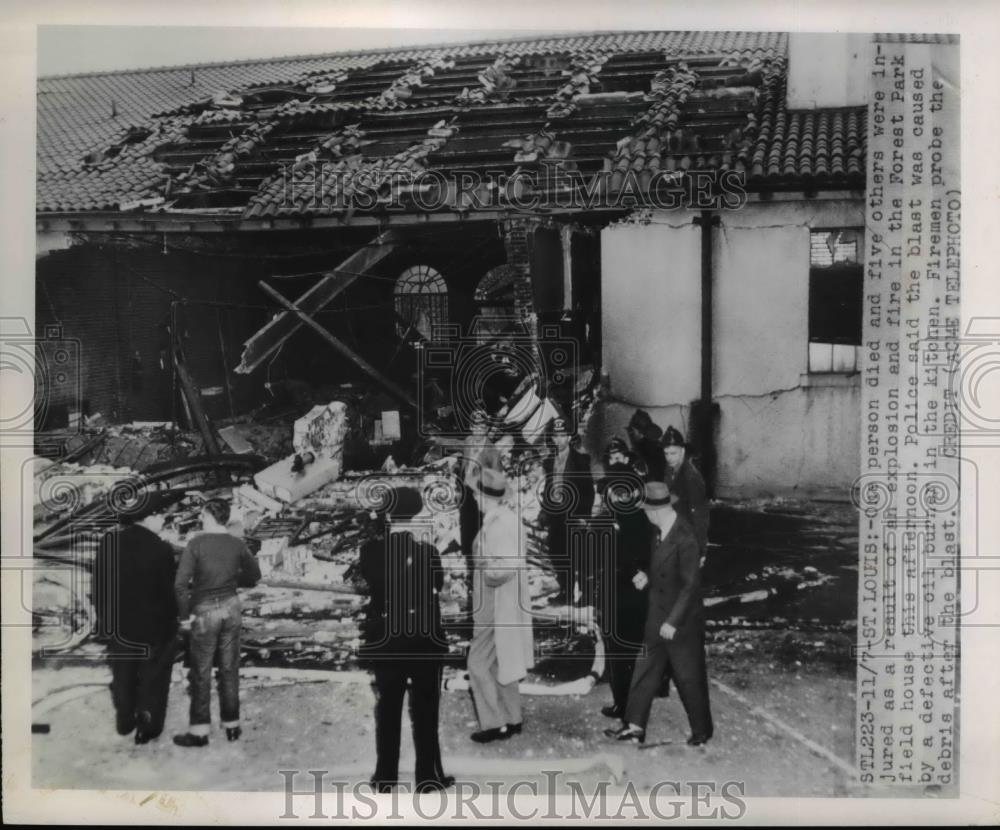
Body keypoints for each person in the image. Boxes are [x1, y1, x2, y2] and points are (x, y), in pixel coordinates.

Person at [358, 487, 454, 793]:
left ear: (388, 515)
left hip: (388, 641)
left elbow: (371, 584)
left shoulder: (370, 552)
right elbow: (437, 586)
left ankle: (385, 778)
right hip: (424, 642)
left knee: (387, 711)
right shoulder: (429, 553)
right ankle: (427, 777)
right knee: (426, 712)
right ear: (416, 516)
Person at [605, 481, 713, 747]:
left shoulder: (685, 538)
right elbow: (664, 570)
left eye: (646, 510)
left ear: (657, 510)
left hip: (680, 621)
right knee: (644, 670)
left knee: (689, 678)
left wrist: (673, 622)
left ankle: (702, 730)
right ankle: (634, 725)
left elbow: (690, 586)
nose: (644, 514)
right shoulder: (659, 531)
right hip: (657, 614)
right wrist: (647, 577)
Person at [172, 498, 261, 747]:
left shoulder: (196, 544)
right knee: (230, 668)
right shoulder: (237, 543)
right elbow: (255, 575)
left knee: (201, 671)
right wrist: (231, 582)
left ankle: (200, 732)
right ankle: (232, 726)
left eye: (202, 514)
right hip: (232, 607)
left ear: (210, 516)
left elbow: (180, 584)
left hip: (205, 610)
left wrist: (184, 616)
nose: (200, 517)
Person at [93, 506, 179, 744]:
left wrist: (104, 619)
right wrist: (173, 619)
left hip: (118, 625)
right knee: (154, 677)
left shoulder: (108, 542)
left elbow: (98, 586)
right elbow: (167, 593)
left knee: (123, 673)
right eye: (161, 514)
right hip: (153, 627)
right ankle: (147, 728)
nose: (163, 519)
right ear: (148, 517)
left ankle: (124, 720)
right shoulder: (161, 549)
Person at [467, 467, 534, 743]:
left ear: (485, 496)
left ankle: (494, 723)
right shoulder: (509, 519)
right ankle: (512, 717)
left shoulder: (496, 526)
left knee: (477, 663)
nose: (473, 498)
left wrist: (483, 565)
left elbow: (503, 569)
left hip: (494, 605)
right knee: (501, 661)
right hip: (506, 604)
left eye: (475, 493)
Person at [595, 438, 653, 720]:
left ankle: (629, 704)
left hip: (629, 589)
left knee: (625, 649)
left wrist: (642, 572)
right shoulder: (613, 515)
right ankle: (623, 701)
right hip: (615, 586)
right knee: (617, 647)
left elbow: (640, 551)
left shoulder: (637, 519)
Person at [541, 416, 595, 603]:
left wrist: (583, 517)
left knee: (578, 555)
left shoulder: (580, 460)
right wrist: (545, 512)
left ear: (569, 437)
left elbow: (588, 491)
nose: (559, 440)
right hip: (556, 515)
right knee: (557, 553)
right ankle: (566, 591)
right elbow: (548, 488)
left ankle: (586, 595)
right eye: (555, 436)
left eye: (563, 435)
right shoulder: (549, 462)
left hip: (573, 515)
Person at [661, 426, 709, 564]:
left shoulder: (691, 476)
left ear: (682, 451)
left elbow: (700, 514)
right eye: (666, 453)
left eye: (673, 453)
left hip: (688, 538)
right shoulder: (670, 469)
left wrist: (701, 549)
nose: (669, 458)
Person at [457, 409, 499, 561]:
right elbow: (464, 464)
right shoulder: (468, 441)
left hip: (481, 495)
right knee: (465, 526)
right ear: (470, 427)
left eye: (481, 427)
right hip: (466, 491)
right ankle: (468, 558)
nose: (477, 431)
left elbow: (497, 477)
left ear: (486, 429)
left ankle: (479, 562)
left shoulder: (492, 451)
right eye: (474, 427)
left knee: (478, 529)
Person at [626, 409, 666, 482]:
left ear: (639, 432)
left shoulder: (647, 449)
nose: (630, 432)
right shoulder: (652, 445)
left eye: (632, 430)